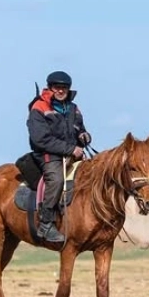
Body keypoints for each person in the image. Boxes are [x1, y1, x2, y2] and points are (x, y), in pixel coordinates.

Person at [27, 70, 91, 245]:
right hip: (48, 154)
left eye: (64, 87)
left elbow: (80, 129)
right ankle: (46, 223)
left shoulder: (73, 108)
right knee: (56, 180)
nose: (61, 90)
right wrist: (71, 149)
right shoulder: (39, 108)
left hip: (71, 153)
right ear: (50, 88)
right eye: (57, 87)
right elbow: (41, 139)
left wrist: (85, 136)